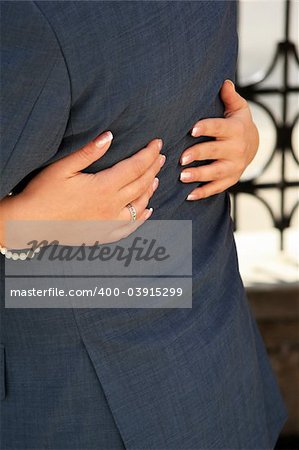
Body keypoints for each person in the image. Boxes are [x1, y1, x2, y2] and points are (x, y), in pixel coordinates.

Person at [0, 1, 287, 449]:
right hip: (210, 372)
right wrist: (241, 137)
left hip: (71, 405)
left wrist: (16, 224)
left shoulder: (28, 18)